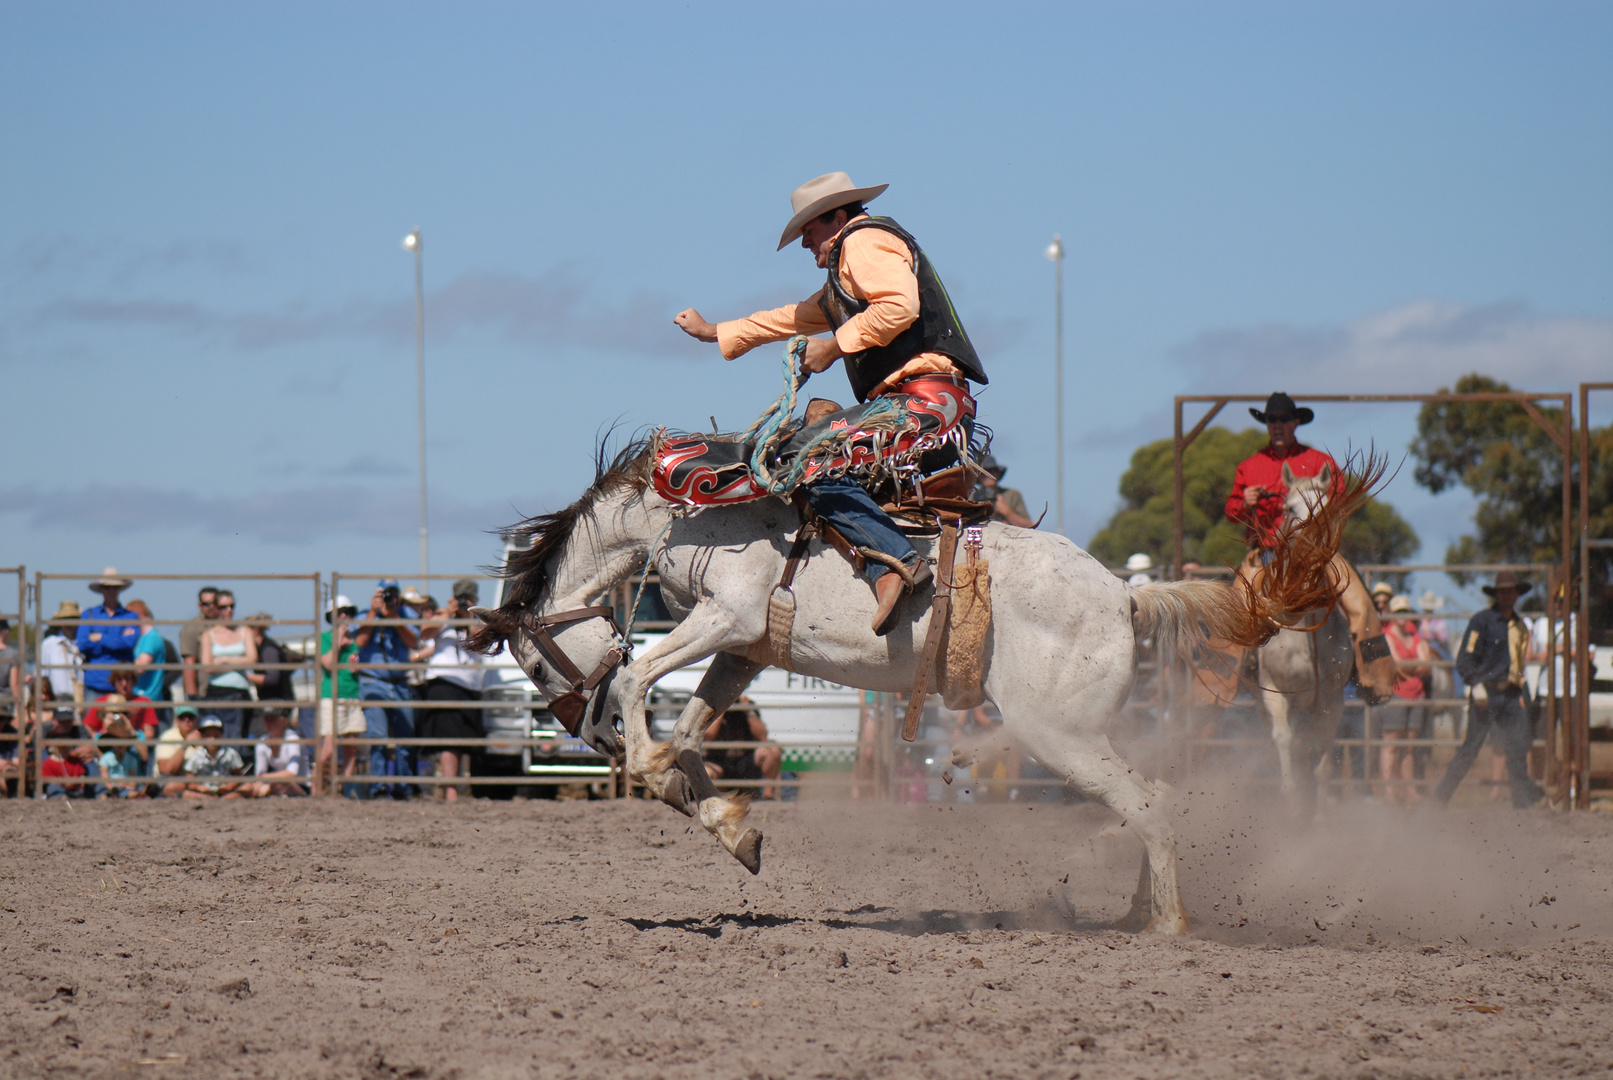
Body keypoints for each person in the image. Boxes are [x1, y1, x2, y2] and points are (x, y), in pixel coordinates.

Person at [675, 172, 990, 635]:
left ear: (838, 217)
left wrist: (833, 346)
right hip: (921, 404)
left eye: (809, 230)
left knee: (799, 457)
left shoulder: (863, 242)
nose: (805, 244)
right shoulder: (845, 272)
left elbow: (898, 307)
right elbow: (794, 318)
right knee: (801, 449)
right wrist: (718, 331)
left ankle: (894, 564)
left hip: (924, 403)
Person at [1225, 395, 1393, 701]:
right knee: (1234, 608)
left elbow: (1340, 499)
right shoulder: (1249, 467)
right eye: (1271, 420)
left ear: (1295, 422)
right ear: (1267, 424)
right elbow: (1231, 512)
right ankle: (1218, 685)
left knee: (1363, 606)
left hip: (1318, 555)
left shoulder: (1320, 462)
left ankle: (1374, 678)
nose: (1277, 426)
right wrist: (1244, 502)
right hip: (1267, 554)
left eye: (1283, 420)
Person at [1433, 571, 1541, 809]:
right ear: (1497, 594)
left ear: (1516, 594)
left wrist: (1522, 692)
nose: (1507, 595)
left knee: (1517, 748)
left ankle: (1523, 806)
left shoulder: (1520, 626)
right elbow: (1465, 659)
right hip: (1486, 694)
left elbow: (1519, 665)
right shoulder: (1481, 621)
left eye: (1511, 591)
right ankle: (1439, 800)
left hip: (1511, 695)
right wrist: (1477, 685)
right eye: (1503, 591)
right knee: (1470, 749)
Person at [415, 579, 486, 802]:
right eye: (462, 599)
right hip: (444, 682)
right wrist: (449, 614)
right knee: (449, 739)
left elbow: (483, 642)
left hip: (470, 685)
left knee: (464, 740)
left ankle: (457, 788)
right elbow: (424, 633)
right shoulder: (442, 617)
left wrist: (469, 618)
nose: (466, 603)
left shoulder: (477, 620)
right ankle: (450, 791)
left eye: (469, 599)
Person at [354, 579, 419, 798]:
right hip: (373, 682)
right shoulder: (367, 614)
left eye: (393, 594)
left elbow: (413, 641)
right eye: (385, 594)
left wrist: (395, 619)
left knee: (405, 738)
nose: (390, 599)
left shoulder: (406, 614)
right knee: (378, 736)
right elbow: (360, 641)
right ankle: (379, 787)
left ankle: (403, 786)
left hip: (400, 683)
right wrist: (374, 614)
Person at [1379, 595, 1433, 806]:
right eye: (1398, 612)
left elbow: (1426, 666)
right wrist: (1414, 664)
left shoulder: (1413, 635)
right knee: (1391, 743)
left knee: (1408, 746)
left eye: (1405, 612)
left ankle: (1408, 789)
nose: (1402, 616)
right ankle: (1390, 791)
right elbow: (1397, 665)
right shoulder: (1387, 636)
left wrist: (1407, 666)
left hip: (1416, 695)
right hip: (1398, 694)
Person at [316, 595, 366, 795]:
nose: (345, 616)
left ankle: (342, 788)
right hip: (331, 696)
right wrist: (338, 639)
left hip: (352, 695)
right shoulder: (325, 638)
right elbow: (327, 663)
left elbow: (358, 666)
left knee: (351, 747)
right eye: (340, 613)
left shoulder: (355, 640)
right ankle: (316, 787)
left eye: (348, 612)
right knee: (328, 749)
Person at [199, 589, 257, 746]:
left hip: (239, 693)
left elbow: (252, 660)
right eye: (224, 607)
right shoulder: (208, 635)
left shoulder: (244, 631)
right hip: (216, 693)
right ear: (216, 609)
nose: (229, 610)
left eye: (232, 606)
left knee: (236, 740)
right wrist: (238, 662)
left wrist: (224, 660)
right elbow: (207, 666)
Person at [76, 568, 141, 698]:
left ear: (119, 589)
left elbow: (128, 644)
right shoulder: (89, 614)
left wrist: (100, 637)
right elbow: (82, 644)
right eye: (107, 587)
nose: (111, 591)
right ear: (101, 589)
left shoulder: (131, 616)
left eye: (114, 587)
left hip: (122, 684)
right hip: (95, 683)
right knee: (91, 718)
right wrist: (117, 641)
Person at [702, 696, 782, 799]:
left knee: (772, 750)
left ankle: (768, 796)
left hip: (745, 759)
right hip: (719, 760)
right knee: (707, 772)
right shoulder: (713, 706)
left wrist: (749, 711)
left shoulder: (748, 705)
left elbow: (762, 736)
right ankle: (721, 799)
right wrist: (721, 710)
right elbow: (708, 736)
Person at [165, 716, 248, 799]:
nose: (212, 739)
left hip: (225, 789)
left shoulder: (231, 753)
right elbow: (190, 781)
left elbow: (239, 775)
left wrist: (228, 787)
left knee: (248, 787)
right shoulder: (196, 755)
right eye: (208, 736)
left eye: (216, 736)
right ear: (203, 737)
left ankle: (225, 798)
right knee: (174, 789)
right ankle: (207, 797)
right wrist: (199, 788)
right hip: (204, 789)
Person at [244, 612, 298, 736]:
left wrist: (245, 676)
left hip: (279, 703)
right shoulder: (260, 649)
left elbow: (272, 678)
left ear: (255, 630)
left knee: (276, 736)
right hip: (271, 702)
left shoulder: (268, 649)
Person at [40, 705, 100, 798]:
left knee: (89, 759)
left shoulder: (79, 730)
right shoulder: (44, 730)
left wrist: (88, 750)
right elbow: (39, 753)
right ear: (54, 721)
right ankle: (57, 793)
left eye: (68, 721)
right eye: (62, 722)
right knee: (44, 759)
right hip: (54, 767)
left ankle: (100, 791)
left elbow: (88, 749)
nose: (66, 725)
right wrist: (69, 753)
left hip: (75, 766)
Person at [84, 666, 160, 738]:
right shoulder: (102, 701)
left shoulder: (144, 702)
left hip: (133, 745)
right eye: (119, 679)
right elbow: (89, 725)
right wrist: (98, 740)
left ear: (133, 681)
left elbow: (149, 734)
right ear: (113, 681)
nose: (124, 684)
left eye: (128, 679)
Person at [244, 709, 306, 796]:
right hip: (273, 782)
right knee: (247, 787)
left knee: (278, 785)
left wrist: (264, 779)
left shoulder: (292, 739)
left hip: (300, 786)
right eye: (266, 719)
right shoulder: (262, 742)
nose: (268, 723)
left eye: (272, 719)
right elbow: (259, 773)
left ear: (285, 721)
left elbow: (291, 773)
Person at [971, 454, 1036, 528]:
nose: (988, 475)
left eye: (991, 471)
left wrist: (1007, 512)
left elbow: (1029, 525)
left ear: (998, 473)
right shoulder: (972, 497)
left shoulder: (1012, 495)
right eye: (983, 472)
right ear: (978, 476)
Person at [94, 711, 149, 798]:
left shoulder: (131, 757)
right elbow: (103, 770)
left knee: (133, 792)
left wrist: (129, 729)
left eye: (121, 713)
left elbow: (144, 757)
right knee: (103, 793)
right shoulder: (106, 756)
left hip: (127, 786)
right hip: (110, 786)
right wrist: (109, 728)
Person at [125, 600, 170, 707]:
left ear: (138, 615)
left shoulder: (151, 637)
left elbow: (141, 667)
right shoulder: (143, 637)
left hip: (147, 697)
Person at [179, 586, 220, 700]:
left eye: (214, 603)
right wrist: (193, 697)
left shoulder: (226, 626)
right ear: (200, 606)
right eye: (206, 604)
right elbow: (189, 663)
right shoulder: (192, 628)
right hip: (203, 692)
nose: (211, 607)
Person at [39, 601, 83, 702]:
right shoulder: (49, 644)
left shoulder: (84, 644)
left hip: (81, 698)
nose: (69, 623)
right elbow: (43, 674)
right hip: (57, 700)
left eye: (73, 619)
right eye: (66, 619)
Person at [155, 705, 201, 784]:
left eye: (190, 717)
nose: (187, 720)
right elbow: (166, 771)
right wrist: (185, 745)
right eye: (182, 717)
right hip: (169, 782)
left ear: (196, 720)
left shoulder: (203, 737)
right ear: (176, 720)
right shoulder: (168, 737)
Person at [0, 619, 20, 728]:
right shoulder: (12, 654)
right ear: (5, 632)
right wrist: (19, 705)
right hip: (5, 702)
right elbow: (14, 683)